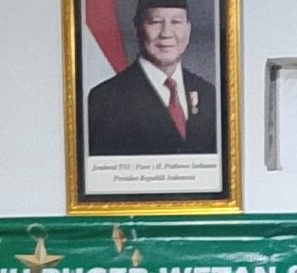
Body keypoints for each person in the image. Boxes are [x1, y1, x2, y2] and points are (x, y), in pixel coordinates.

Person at [85, 1, 220, 158]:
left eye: (176, 22)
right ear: (138, 28)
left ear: (188, 29)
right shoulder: (105, 99)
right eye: (156, 22)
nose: (166, 33)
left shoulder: (208, 94)